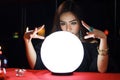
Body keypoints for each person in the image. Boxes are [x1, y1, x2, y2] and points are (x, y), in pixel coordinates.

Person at [24, 0, 118, 73]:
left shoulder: (90, 46)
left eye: (73, 23)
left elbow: (101, 70)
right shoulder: (51, 45)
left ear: (80, 23)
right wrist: (27, 40)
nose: (68, 28)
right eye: (63, 23)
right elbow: (36, 65)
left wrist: (103, 39)